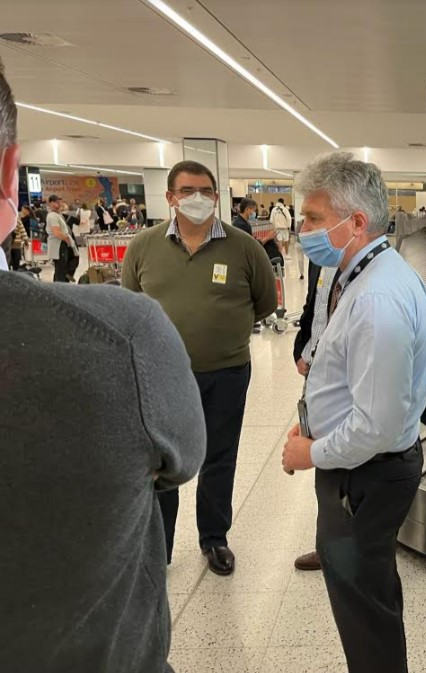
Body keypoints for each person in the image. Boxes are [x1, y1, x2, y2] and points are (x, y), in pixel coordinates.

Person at [0, 55, 207, 673]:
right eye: (187, 193)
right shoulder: (122, 332)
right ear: (11, 172)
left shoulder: (238, 251)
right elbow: (178, 461)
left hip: (216, 372)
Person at [281, 152, 426, 673]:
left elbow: (379, 424)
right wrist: (312, 422)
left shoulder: (378, 298)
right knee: (368, 591)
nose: (303, 229)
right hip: (355, 464)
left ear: (357, 222)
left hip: (364, 473)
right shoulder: (356, 273)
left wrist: (311, 451)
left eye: (314, 219)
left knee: (362, 605)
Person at [121, 160, 277, 575]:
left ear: (216, 196)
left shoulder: (244, 247)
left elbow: (266, 302)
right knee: (162, 462)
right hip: (162, 374)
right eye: (188, 191)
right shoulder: (144, 246)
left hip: (226, 371)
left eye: (206, 191)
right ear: (170, 198)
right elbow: (131, 305)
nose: (198, 199)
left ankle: (214, 538)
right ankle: (160, 547)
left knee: (218, 457)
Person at [290, 257, 341, 572]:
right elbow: (313, 306)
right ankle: (327, 544)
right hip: (315, 368)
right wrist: (301, 350)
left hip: (339, 374)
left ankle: (341, 545)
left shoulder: (360, 267)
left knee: (338, 460)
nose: (307, 230)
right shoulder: (319, 260)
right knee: (322, 460)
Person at [46, 195, 76, 282]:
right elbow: (57, 232)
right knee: (60, 269)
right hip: (59, 245)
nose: (60, 204)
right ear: (51, 204)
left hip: (61, 244)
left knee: (63, 267)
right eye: (57, 203)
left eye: (60, 202)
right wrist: (67, 240)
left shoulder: (57, 214)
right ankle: (60, 286)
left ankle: (62, 284)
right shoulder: (52, 216)